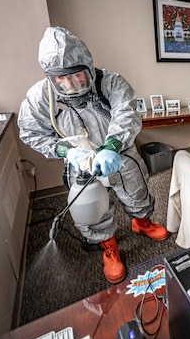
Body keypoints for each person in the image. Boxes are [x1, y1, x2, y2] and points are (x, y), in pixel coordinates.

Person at [18, 26, 169, 284]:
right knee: (92, 209)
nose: (71, 84)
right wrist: (67, 151)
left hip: (119, 152)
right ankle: (109, 247)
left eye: (78, 75)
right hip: (81, 161)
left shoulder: (110, 82)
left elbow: (127, 113)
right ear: (51, 77)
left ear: (88, 66)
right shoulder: (40, 97)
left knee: (136, 191)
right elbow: (31, 132)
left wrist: (111, 146)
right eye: (61, 79)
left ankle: (142, 222)